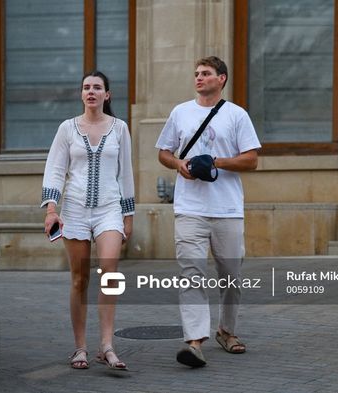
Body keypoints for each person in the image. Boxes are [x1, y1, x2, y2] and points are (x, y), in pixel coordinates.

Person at [155, 56, 261, 367]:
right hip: (190, 208)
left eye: (206, 74)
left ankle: (226, 331)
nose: (199, 78)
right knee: (191, 274)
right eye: (197, 74)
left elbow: (251, 160)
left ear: (222, 79)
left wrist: (214, 162)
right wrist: (178, 164)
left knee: (231, 276)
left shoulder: (237, 115)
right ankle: (194, 342)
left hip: (227, 209)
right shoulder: (180, 112)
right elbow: (163, 152)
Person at [41, 71, 134, 371]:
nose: (91, 92)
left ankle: (106, 345)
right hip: (75, 210)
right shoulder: (67, 128)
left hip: (109, 208)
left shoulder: (120, 128)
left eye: (97, 87)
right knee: (80, 279)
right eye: (86, 87)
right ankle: (80, 347)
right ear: (81, 94)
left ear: (107, 95)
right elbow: (55, 169)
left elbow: (126, 173)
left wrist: (128, 216)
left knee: (110, 271)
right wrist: (51, 210)